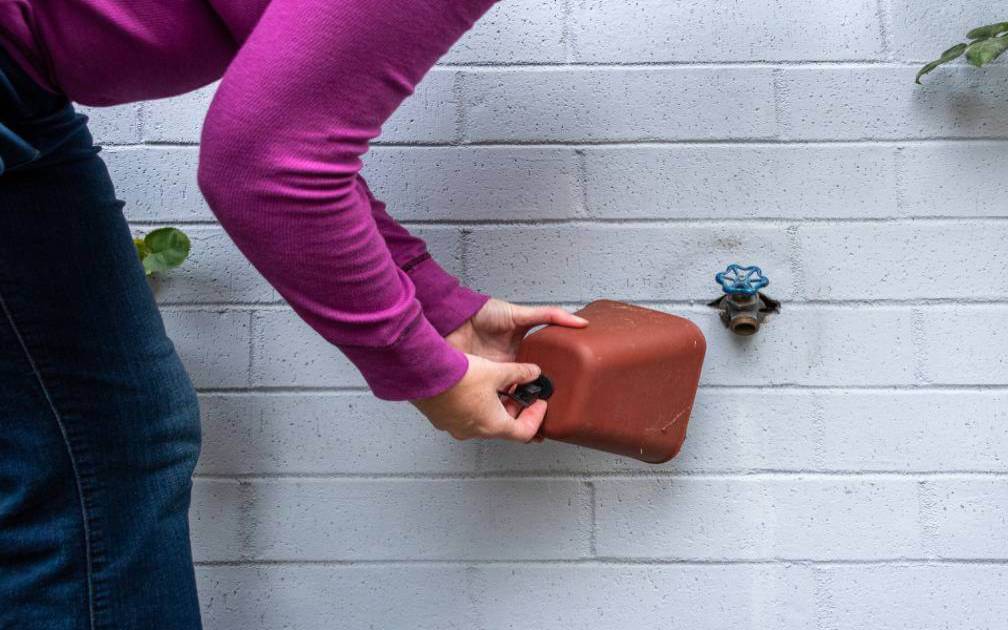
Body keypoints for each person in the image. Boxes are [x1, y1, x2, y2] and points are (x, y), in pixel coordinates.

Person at [0, 0, 586, 627]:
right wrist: (426, 373)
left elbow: (291, 132)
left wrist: (438, 308)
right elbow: (266, 166)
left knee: (108, 450)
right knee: (93, 463)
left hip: (22, 103)